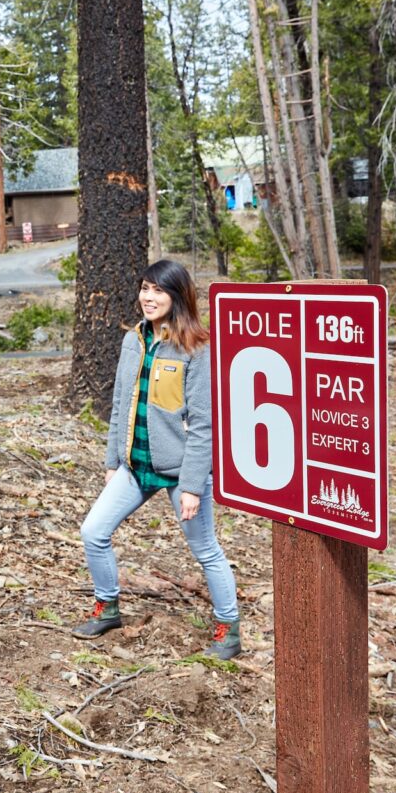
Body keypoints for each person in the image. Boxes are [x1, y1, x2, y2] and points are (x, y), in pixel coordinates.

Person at [71, 259, 240, 660]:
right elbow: (119, 404)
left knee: (205, 550)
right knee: (93, 531)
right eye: (145, 288)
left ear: (177, 297)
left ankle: (228, 629)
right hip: (135, 466)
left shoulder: (197, 349)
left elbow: (203, 425)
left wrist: (193, 487)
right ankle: (107, 607)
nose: (148, 297)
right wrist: (113, 461)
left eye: (158, 291)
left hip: (182, 471)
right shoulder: (135, 340)